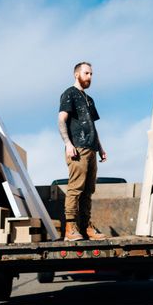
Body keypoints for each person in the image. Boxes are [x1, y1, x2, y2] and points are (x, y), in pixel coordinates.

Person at [58, 62, 108, 241]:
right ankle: (70, 228)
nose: (90, 77)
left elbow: (92, 126)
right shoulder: (69, 94)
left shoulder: (89, 99)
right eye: (87, 73)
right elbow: (61, 120)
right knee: (75, 188)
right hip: (77, 148)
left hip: (91, 148)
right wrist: (68, 144)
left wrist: (100, 148)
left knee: (88, 190)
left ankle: (86, 227)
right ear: (76, 74)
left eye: (92, 74)